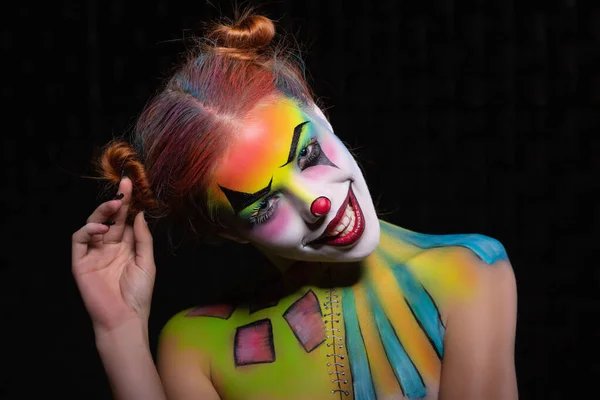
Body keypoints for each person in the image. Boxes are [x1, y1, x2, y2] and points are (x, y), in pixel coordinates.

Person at [71, 11, 518, 400]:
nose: (318, 202)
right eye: (264, 206)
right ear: (225, 231)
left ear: (319, 113)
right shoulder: (199, 348)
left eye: (306, 155)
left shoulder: (466, 275)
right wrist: (120, 332)